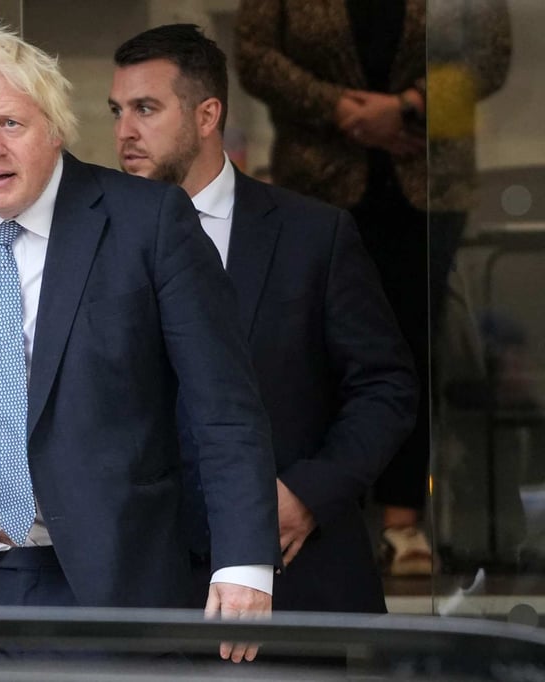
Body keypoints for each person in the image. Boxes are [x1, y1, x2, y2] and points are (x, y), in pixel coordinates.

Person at [0, 15, 279, 663]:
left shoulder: (147, 222)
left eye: (11, 124)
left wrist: (244, 565)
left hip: (92, 581)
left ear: (53, 125)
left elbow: (226, 408)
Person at [109, 24, 418, 613]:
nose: (124, 131)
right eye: (117, 110)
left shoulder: (313, 235)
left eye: (145, 109)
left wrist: (308, 492)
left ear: (207, 115)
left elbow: (386, 387)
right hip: (142, 585)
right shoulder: (95, 242)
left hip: (296, 574)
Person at [234, 0, 435, 576]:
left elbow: (485, 50)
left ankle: (403, 521)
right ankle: (318, 506)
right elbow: (254, 55)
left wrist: (408, 107)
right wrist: (339, 108)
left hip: (423, 182)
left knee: (408, 350)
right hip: (317, 174)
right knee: (304, 355)